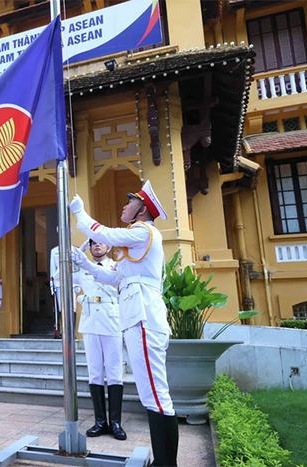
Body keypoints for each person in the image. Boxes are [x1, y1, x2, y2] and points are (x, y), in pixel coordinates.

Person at [69, 180, 178, 466]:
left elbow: (105, 234)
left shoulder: (143, 231)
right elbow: (114, 277)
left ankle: (167, 464)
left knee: (156, 395)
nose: (124, 205)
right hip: (137, 320)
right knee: (151, 394)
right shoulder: (137, 244)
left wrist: (80, 214)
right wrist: (84, 264)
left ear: (142, 209)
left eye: (130, 201)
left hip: (143, 318)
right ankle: (163, 462)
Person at [77, 239, 126, 441]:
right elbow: (58, 278)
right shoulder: (81, 269)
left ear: (108, 247)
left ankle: (115, 422)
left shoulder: (116, 267)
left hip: (112, 321)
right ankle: (100, 422)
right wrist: (78, 252)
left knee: (114, 372)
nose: (97, 246)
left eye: (101, 243)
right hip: (90, 322)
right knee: (95, 372)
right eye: (93, 243)